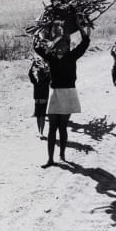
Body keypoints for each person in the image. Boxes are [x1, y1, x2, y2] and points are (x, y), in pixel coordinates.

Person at [34, 17, 90, 168]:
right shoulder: (51, 58)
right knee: (52, 127)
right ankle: (51, 159)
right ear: (54, 47)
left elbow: (85, 44)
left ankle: (62, 155)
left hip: (68, 93)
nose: (61, 48)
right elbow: (37, 48)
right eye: (58, 46)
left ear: (67, 46)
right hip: (56, 93)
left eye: (63, 45)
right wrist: (37, 34)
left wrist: (80, 27)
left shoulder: (72, 56)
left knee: (62, 126)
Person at [28, 58, 51, 138]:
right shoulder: (46, 81)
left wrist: (33, 65)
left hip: (37, 101)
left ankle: (39, 132)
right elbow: (50, 73)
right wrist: (47, 66)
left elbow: (30, 74)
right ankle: (41, 132)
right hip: (43, 100)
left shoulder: (36, 82)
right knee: (42, 116)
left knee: (38, 117)